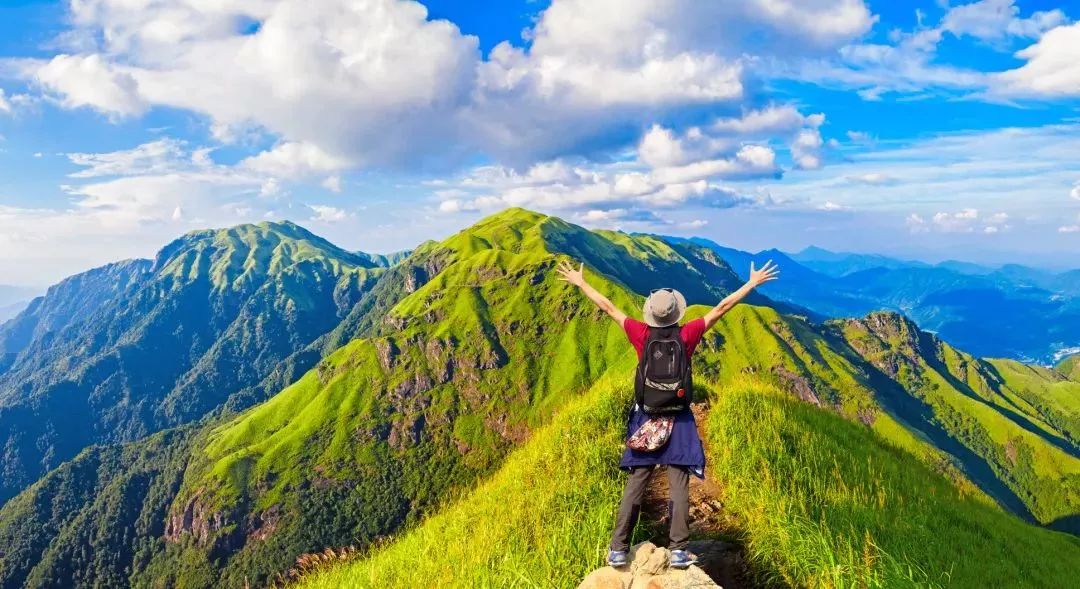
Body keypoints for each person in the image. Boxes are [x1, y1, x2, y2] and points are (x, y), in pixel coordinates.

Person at [556, 258, 780, 569]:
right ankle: (678, 550)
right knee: (679, 483)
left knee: (637, 481)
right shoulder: (686, 335)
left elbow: (608, 307)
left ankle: (619, 548)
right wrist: (751, 284)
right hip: (680, 417)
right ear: (676, 313)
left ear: (650, 313)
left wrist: (581, 283)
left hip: (646, 416)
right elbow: (721, 308)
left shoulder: (640, 334)